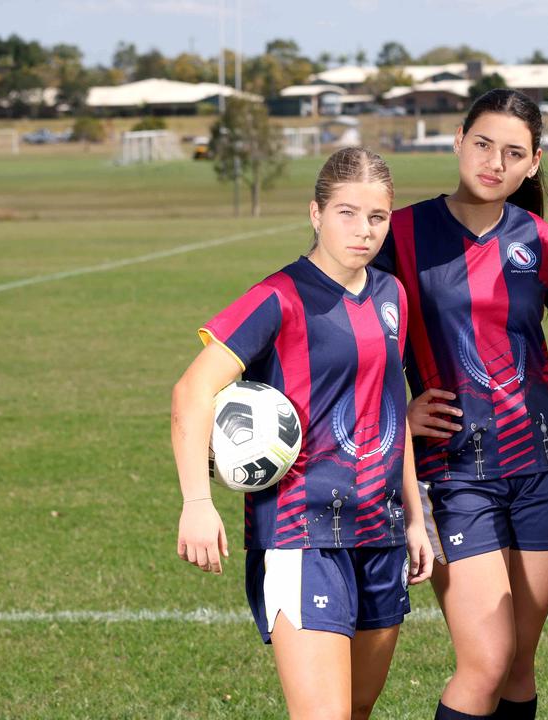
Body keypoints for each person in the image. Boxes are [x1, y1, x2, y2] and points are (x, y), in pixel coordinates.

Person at [172, 147, 431, 720]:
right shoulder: (276, 297)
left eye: (377, 217)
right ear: (316, 213)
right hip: (300, 533)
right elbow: (191, 391)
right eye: (347, 212)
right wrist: (197, 502)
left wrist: (415, 517)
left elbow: (390, 410)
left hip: (380, 529)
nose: (363, 230)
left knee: (358, 708)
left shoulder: (392, 295)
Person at [373, 89, 548, 720]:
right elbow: (346, 340)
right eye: (484, 143)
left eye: (514, 152)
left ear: (534, 163)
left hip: (546, 468)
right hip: (452, 471)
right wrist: (396, 417)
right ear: (458, 139)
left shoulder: (540, 240)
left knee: (518, 664)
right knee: (486, 660)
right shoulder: (401, 235)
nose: (495, 162)